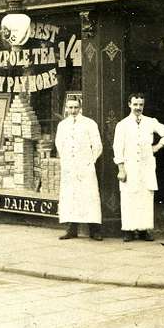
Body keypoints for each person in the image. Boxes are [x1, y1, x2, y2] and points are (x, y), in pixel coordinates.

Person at [113, 93, 164, 242]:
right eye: (135, 104)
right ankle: (128, 230)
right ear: (129, 105)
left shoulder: (150, 122)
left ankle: (144, 230)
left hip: (146, 166)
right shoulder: (122, 124)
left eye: (140, 105)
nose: (138, 108)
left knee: (145, 197)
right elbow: (117, 147)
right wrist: (121, 168)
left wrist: (158, 146)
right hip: (129, 166)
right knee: (129, 197)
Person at [55, 97, 104, 241]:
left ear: (80, 108)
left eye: (75, 107)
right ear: (66, 109)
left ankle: (94, 230)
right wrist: (66, 160)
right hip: (70, 166)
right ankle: (72, 229)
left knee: (89, 196)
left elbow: (97, 145)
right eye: (70, 108)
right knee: (71, 196)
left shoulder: (89, 124)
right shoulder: (62, 125)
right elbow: (59, 144)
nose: (73, 111)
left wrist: (90, 161)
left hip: (85, 166)